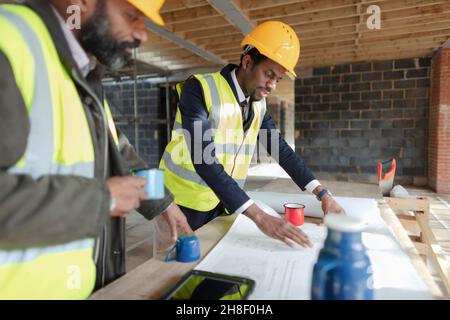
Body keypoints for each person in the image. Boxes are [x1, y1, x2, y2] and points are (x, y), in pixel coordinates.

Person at [0, 0, 191, 299]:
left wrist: (162, 201)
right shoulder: (8, 40)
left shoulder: (81, 74)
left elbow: (116, 152)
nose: (142, 35)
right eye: (132, 16)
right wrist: (101, 200)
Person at [160, 21, 344, 248]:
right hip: (181, 205)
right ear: (247, 62)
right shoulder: (199, 89)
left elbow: (281, 150)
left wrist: (323, 194)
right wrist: (258, 215)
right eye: (269, 74)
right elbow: (204, 160)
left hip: (225, 204)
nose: (273, 85)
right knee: (175, 277)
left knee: (216, 276)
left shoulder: (258, 105)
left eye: (278, 79)